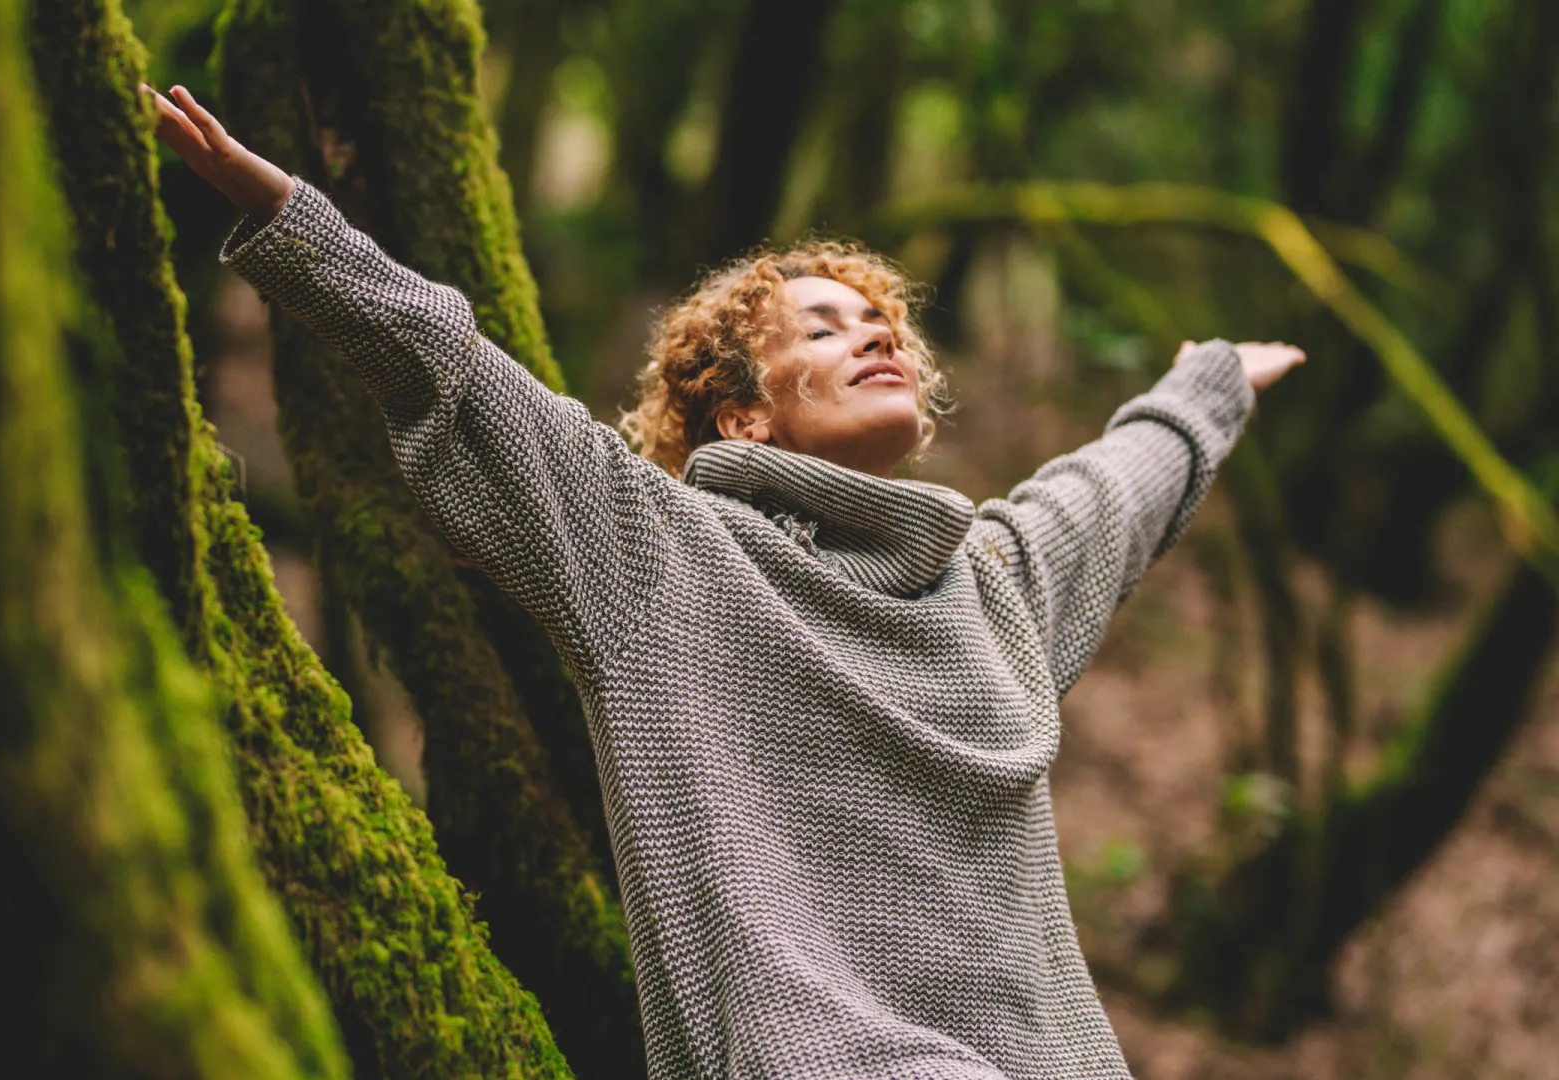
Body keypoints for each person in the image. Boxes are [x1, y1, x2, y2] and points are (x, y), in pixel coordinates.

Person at [151, 84, 1304, 1080]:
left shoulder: (990, 587)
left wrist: (1210, 390)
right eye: (827, 325)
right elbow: (461, 377)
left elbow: (1108, 492)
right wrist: (288, 219)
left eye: (882, 323)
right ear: (744, 410)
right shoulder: (662, 558)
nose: (876, 338)